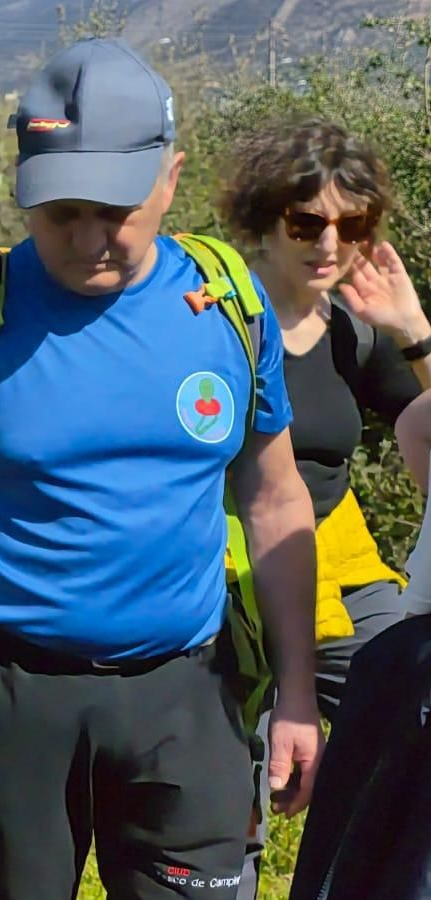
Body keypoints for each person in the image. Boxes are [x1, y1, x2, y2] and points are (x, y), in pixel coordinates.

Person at [0, 38, 322, 899]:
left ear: (170, 178)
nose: (86, 238)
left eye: (114, 207)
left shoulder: (227, 305)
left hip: (188, 695)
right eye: (58, 210)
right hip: (10, 696)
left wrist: (296, 690)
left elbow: (274, 496)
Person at [219, 117, 431, 897]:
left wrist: (413, 333)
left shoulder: (353, 332)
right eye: (307, 222)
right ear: (262, 216)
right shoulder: (206, 316)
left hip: (339, 575)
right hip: (219, 581)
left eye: (354, 225)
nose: (330, 244)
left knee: (417, 699)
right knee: (228, 809)